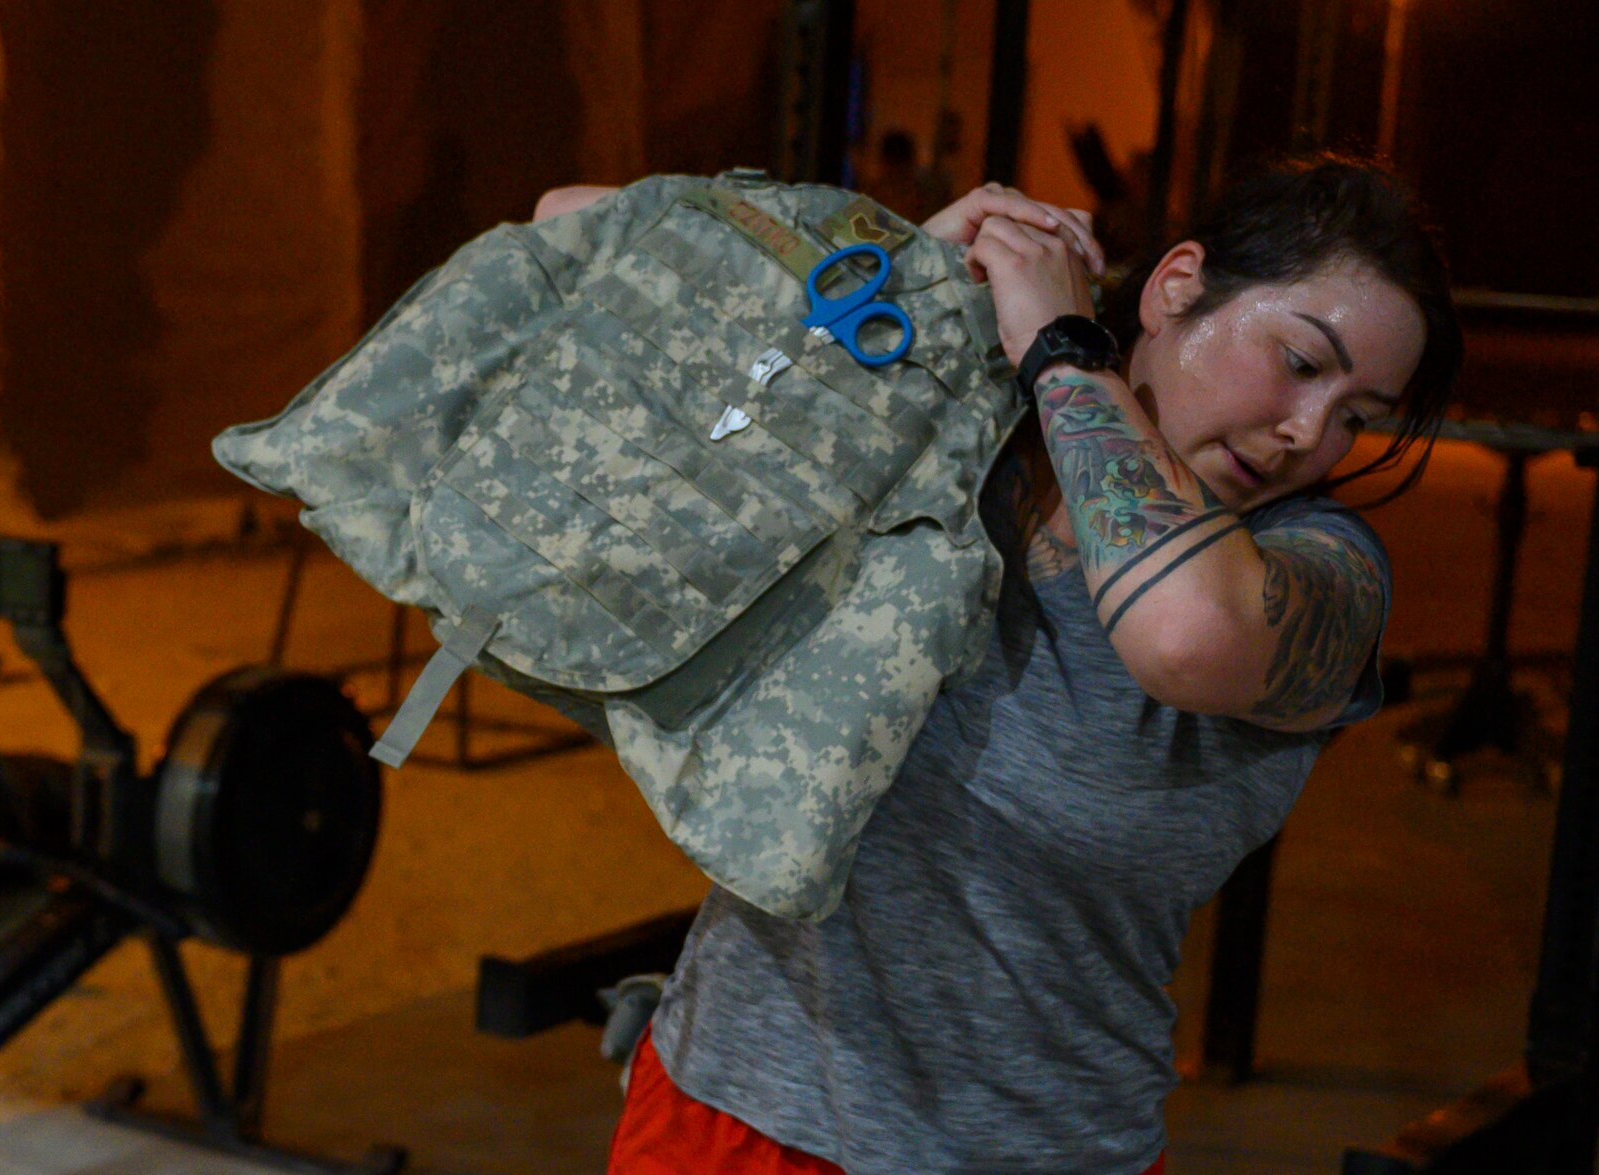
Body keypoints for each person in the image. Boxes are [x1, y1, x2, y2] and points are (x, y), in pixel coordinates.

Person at [540, 155, 1460, 1173]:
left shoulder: (1318, 575)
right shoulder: (959, 414)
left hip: (1025, 1148)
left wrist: (1063, 351)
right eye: (1298, 361)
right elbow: (567, 228)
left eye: (1354, 415)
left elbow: (1184, 633)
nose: (1306, 432)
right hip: (730, 1106)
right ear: (1174, 286)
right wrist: (889, 267)